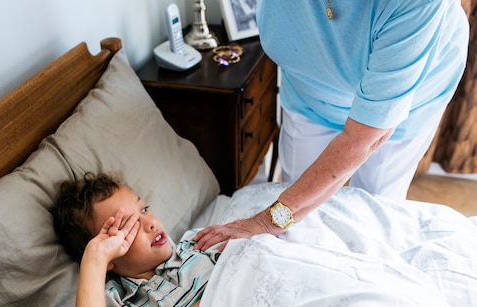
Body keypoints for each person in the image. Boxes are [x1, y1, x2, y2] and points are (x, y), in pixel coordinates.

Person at [194, 0, 469, 252]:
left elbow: (363, 138)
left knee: (372, 215)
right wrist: (282, 214)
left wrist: (268, 220)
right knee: (296, 196)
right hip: (309, 88)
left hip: (403, 99)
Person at [52, 172, 218, 307]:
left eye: (144, 209)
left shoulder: (196, 244)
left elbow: (251, 259)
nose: (150, 223)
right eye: (129, 225)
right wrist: (95, 259)